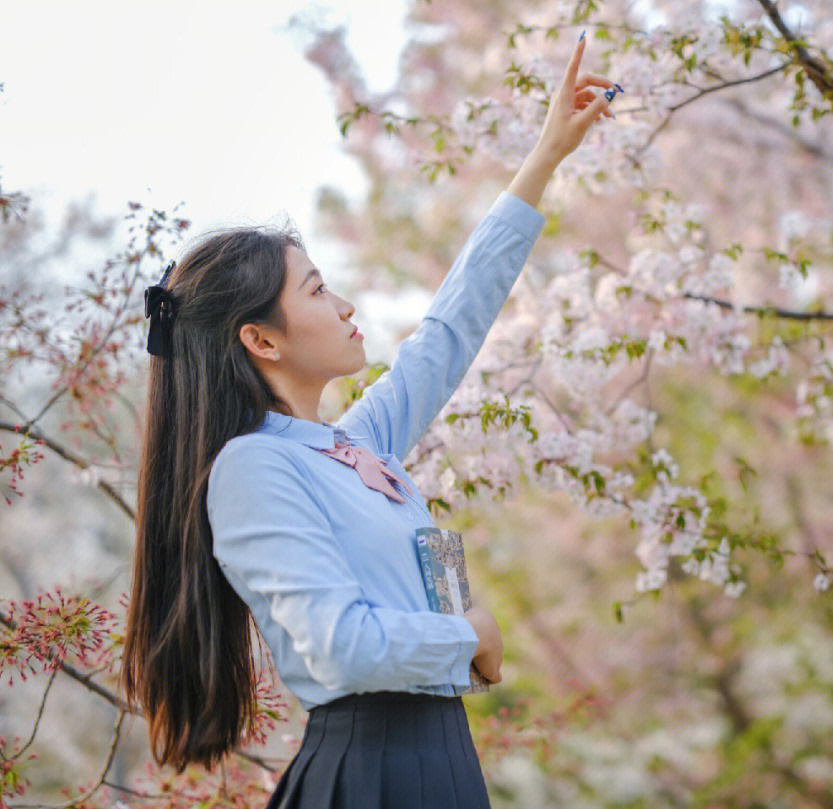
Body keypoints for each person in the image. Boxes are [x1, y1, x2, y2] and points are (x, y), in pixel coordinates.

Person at [119, 35, 617, 809]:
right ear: (262, 339)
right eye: (318, 291)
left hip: (440, 760)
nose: (346, 305)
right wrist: (470, 634)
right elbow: (341, 647)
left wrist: (545, 158)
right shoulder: (253, 468)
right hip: (372, 771)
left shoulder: (356, 444)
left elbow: (449, 330)